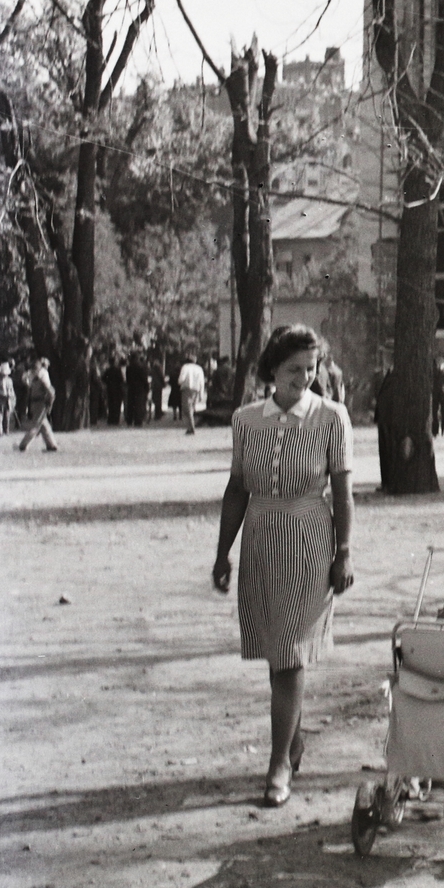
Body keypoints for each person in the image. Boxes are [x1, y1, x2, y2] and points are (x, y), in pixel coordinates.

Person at [212, 324, 354, 808]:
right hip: (260, 543)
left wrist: (345, 552)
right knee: (279, 654)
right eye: (295, 368)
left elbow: (342, 490)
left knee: (290, 654)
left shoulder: (331, 418)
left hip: (311, 542)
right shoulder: (246, 420)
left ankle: (278, 765)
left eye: (311, 369)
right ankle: (291, 737)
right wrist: (221, 553)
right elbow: (237, 489)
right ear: (272, 368)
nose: (305, 378)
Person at [17, 358, 59, 452]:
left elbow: (25, 382)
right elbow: (50, 391)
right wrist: (50, 403)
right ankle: (23, 445)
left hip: (34, 403)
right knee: (36, 425)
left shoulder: (32, 378)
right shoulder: (43, 377)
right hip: (41, 403)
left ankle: (51, 445)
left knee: (44, 425)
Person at [178, 354, 207, 435]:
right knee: (192, 408)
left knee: (186, 409)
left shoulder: (185, 367)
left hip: (187, 389)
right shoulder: (199, 369)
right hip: (196, 389)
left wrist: (179, 383)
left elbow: (181, 379)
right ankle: (191, 426)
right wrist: (201, 393)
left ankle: (191, 427)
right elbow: (202, 382)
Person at [125, 350, 150, 426]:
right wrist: (147, 387)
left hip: (131, 387)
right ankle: (138, 421)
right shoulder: (141, 367)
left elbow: (127, 378)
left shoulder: (128, 368)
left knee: (130, 404)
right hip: (140, 388)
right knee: (139, 405)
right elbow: (144, 379)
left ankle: (129, 420)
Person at [431, 353, 444, 436]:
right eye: (437, 358)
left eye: (441, 359)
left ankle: (443, 428)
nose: (439, 360)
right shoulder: (432, 369)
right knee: (434, 412)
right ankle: (435, 430)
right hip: (435, 392)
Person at [103, 351, 126, 426]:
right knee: (117, 405)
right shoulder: (117, 370)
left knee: (110, 404)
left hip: (110, 389)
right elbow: (121, 379)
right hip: (117, 389)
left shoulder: (108, 370)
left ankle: (110, 419)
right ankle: (116, 419)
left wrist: (107, 383)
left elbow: (103, 378)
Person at [0, 361, 14, 437]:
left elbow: (12, 391)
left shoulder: (10, 380)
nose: (4, 375)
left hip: (7, 401)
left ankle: (6, 430)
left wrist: (10, 395)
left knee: (7, 417)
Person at [149, 353, 165, 421]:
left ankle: (157, 413)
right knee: (159, 400)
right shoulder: (159, 368)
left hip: (154, 385)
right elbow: (161, 377)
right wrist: (164, 384)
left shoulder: (152, 369)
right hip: (158, 386)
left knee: (155, 400)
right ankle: (158, 414)